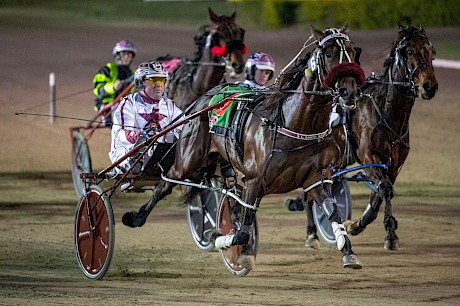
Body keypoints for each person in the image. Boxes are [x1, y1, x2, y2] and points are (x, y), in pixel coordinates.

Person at [109, 61, 183, 179]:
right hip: (127, 157)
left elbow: (183, 125)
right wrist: (141, 135)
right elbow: (121, 135)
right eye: (154, 80)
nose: (159, 85)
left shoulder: (168, 105)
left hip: (159, 155)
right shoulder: (129, 103)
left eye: (162, 80)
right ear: (140, 82)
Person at [93, 40, 137, 127]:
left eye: (129, 55)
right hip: (107, 106)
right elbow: (98, 90)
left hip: (124, 106)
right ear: (117, 56)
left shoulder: (133, 73)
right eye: (124, 54)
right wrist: (113, 87)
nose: (127, 57)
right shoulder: (107, 70)